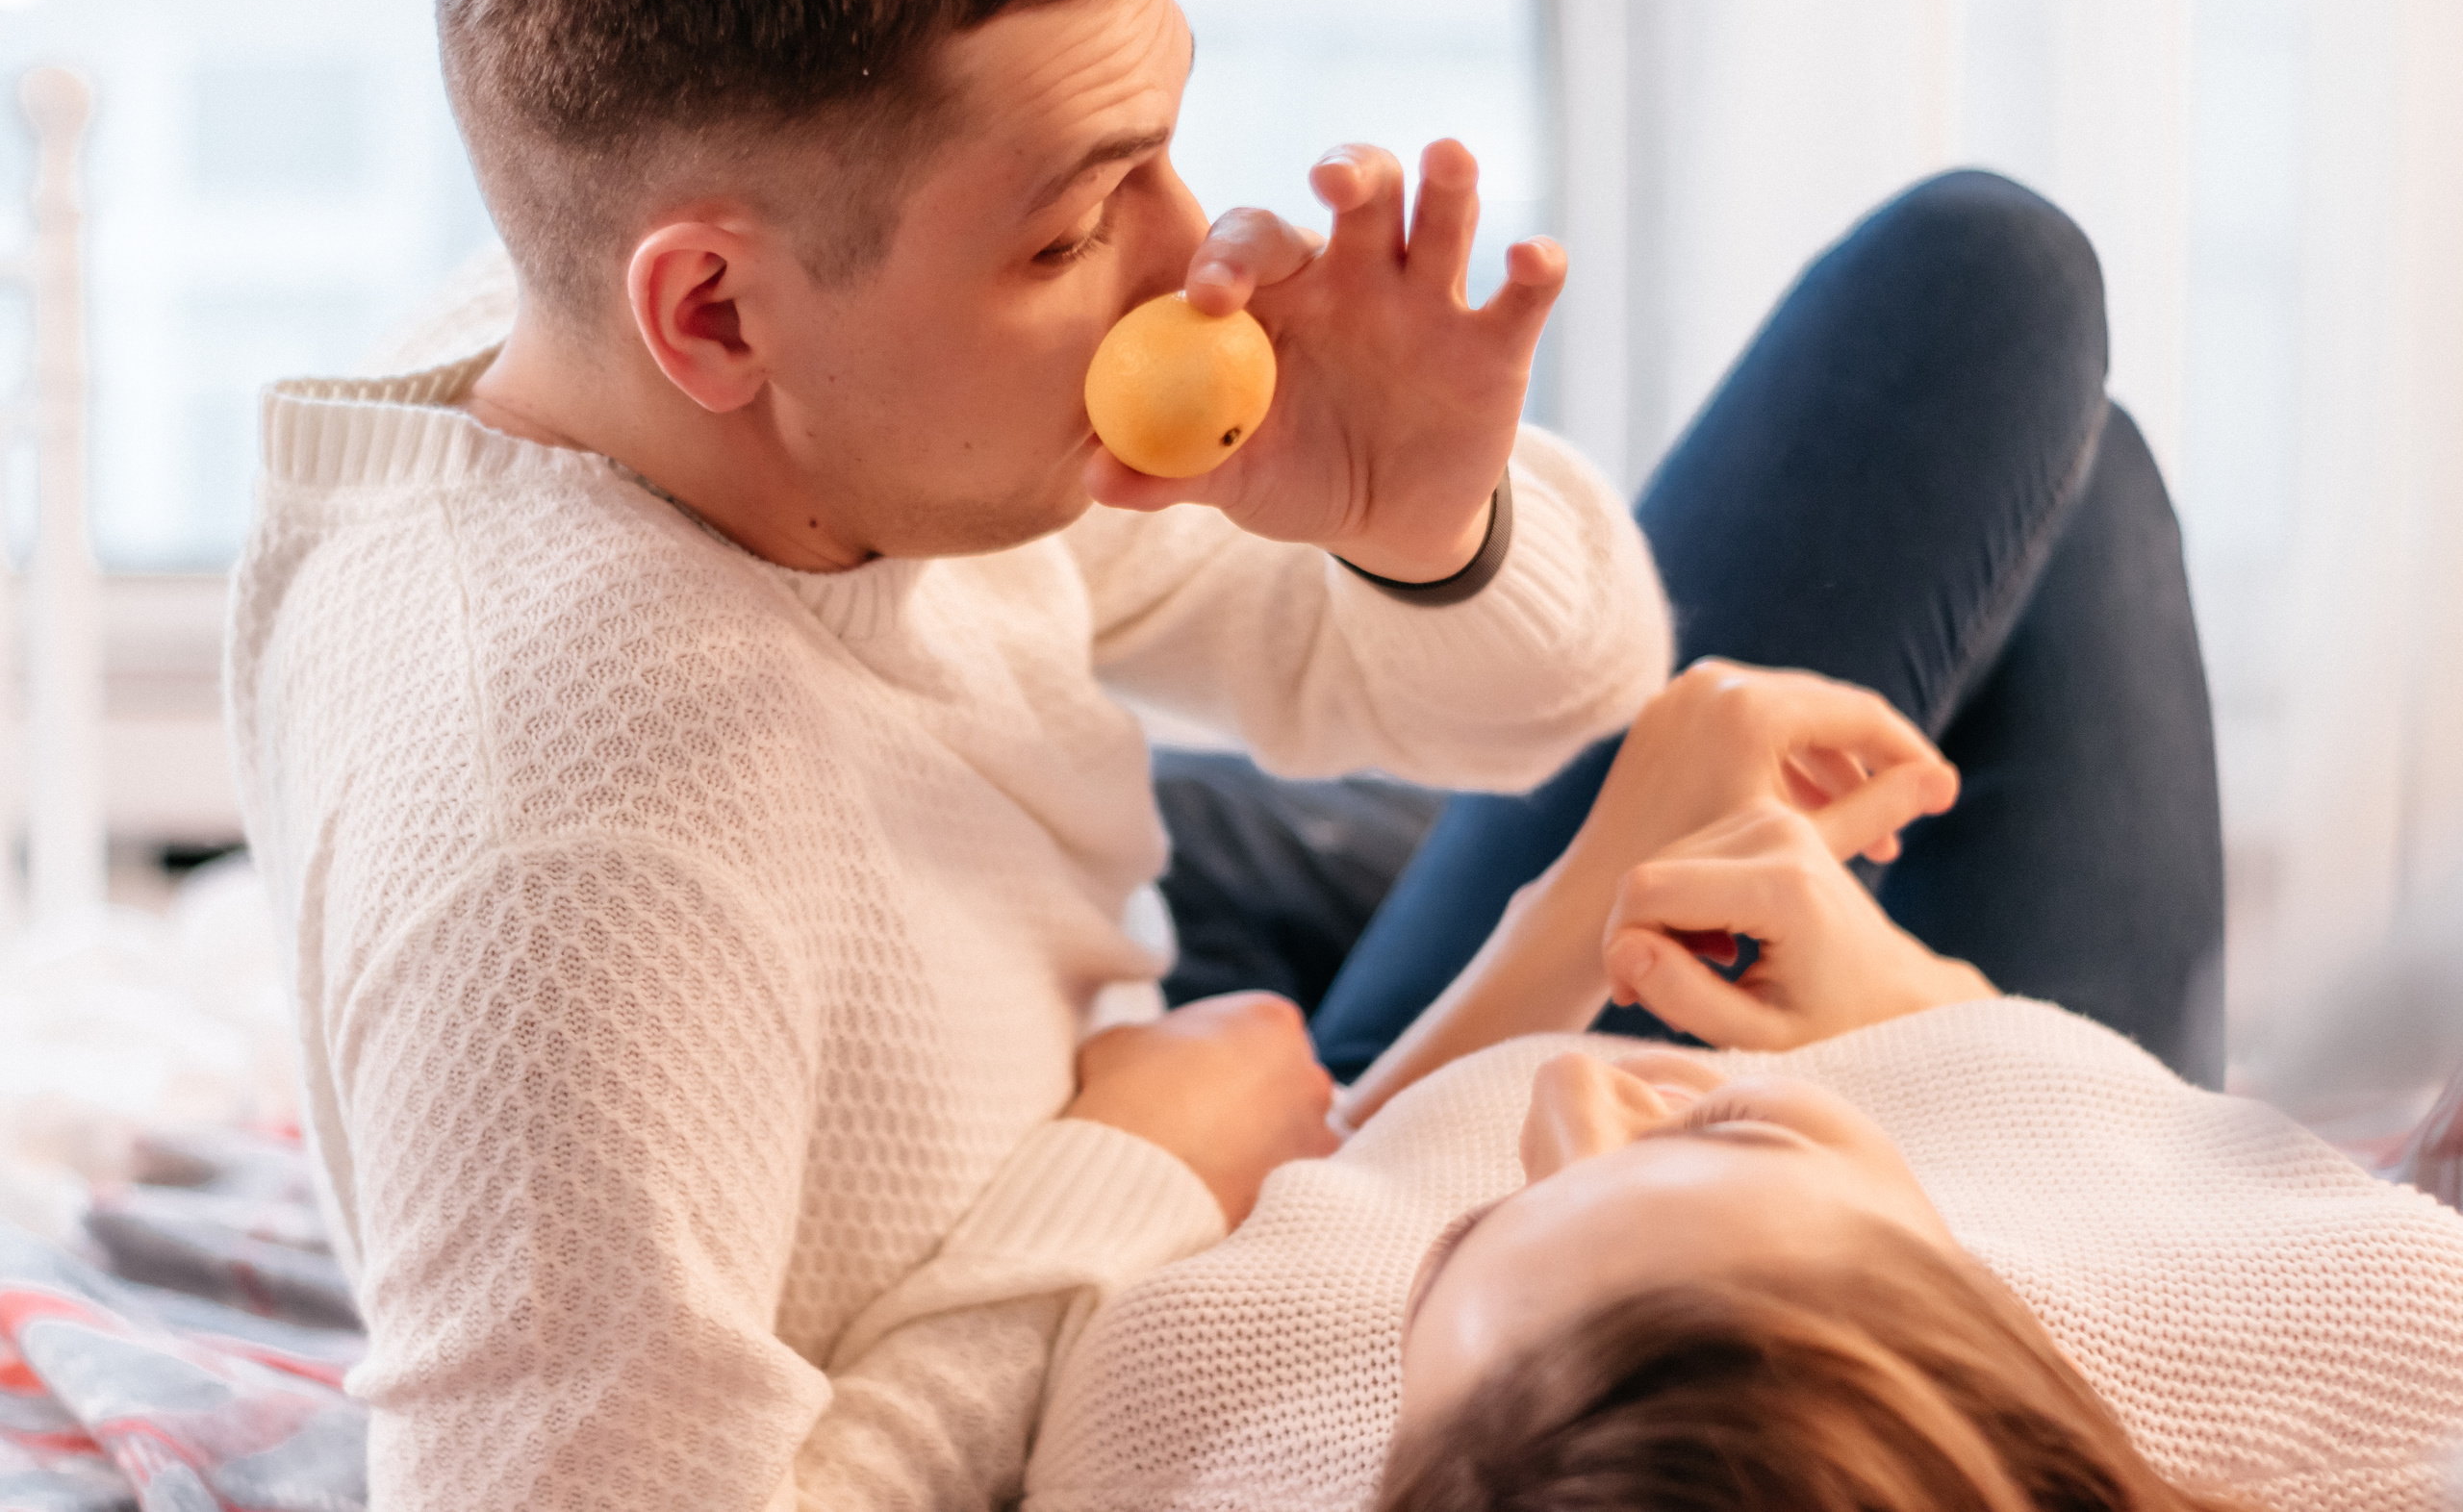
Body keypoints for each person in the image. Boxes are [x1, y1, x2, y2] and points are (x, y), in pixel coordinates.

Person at [223, 0, 1672, 1507]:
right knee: (1966, 310)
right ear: (711, 312)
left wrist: (1415, 524)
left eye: (1166, 153)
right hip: (1151, 1141)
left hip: (1132, 989)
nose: (1195, 263)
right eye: (1067, 230)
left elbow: (1560, 697)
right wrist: (1133, 1183)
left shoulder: (745, 402)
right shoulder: (573, 870)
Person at [1018, 179, 2463, 1509]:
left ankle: (1381, 862)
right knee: (2076, 457)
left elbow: (1322, 1183)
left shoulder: (1202, 1427)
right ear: (2004, 1388)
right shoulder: (2376, 1334)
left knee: (1163, 830)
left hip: (1372, 1096)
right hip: (2117, 1155)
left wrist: (1578, 901)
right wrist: (1933, 1015)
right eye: (1732, 1119)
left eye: (1456, 1246)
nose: (1568, 1100)